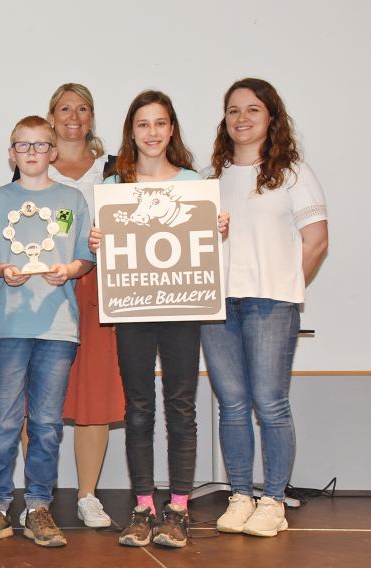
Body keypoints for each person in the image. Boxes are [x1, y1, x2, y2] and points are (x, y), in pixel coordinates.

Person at [201, 78, 328, 538]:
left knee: (270, 404)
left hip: (271, 303)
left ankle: (273, 499)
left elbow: (316, 241)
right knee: (232, 406)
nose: (242, 118)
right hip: (218, 307)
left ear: (271, 116)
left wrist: (286, 285)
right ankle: (240, 496)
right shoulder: (210, 181)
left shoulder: (293, 172)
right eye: (233, 110)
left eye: (252, 110)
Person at [91, 90, 217, 549]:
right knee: (138, 408)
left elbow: (204, 247)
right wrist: (97, 241)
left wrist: (214, 229)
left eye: (160, 123)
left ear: (171, 129)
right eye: (143, 124)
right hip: (134, 310)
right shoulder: (111, 189)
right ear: (131, 132)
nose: (152, 133)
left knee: (181, 406)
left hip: (183, 308)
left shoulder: (194, 182)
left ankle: (178, 509)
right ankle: (143, 506)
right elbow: (107, 255)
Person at [0, 116, 93, 548]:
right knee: (1, 422)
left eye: (41, 145)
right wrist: (3, 269)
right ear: (11, 152)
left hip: (58, 326)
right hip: (7, 325)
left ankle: (39, 506)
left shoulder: (73, 198)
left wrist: (70, 270)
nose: (33, 152)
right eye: (24, 145)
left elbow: (83, 260)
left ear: (54, 151)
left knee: (47, 424)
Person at [46, 83, 123, 529]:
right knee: (37, 395)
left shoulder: (116, 170)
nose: (73, 116)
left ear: (92, 118)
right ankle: (40, 492)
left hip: (98, 289)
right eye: (64, 108)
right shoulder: (33, 160)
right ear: (51, 116)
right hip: (42, 290)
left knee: (93, 392)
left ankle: (88, 494)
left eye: (83, 108)